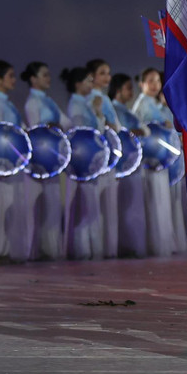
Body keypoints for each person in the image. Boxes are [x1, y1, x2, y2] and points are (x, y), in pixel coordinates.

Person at [22, 61, 70, 261]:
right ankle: (36, 248)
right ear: (33, 79)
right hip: (39, 159)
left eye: (49, 75)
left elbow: (67, 123)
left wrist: (56, 126)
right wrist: (50, 127)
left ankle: (51, 248)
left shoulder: (49, 101)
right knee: (37, 205)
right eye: (44, 75)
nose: (48, 78)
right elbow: (35, 130)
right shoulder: (32, 103)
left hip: (53, 158)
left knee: (51, 204)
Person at [0, 60, 29, 264]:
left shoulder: (6, 103)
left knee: (12, 204)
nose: (14, 80)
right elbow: (0, 134)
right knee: (1, 205)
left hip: (14, 160)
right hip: (3, 161)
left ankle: (10, 249)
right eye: (10, 76)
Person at [131, 67, 176, 256]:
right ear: (141, 84)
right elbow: (140, 131)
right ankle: (155, 244)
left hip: (161, 160)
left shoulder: (156, 104)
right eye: (150, 81)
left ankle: (163, 242)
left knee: (161, 200)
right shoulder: (142, 104)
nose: (155, 85)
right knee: (154, 201)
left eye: (157, 80)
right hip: (150, 162)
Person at [61, 67, 106, 260]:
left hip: (92, 158)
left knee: (91, 206)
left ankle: (90, 247)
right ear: (78, 84)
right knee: (85, 206)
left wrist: (96, 111)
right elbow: (82, 133)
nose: (91, 84)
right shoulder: (77, 105)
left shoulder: (85, 104)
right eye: (88, 81)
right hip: (83, 159)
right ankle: (82, 248)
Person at [108, 72, 149, 258]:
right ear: (118, 90)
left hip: (134, 163)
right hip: (123, 166)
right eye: (128, 88)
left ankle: (133, 244)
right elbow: (121, 132)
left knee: (134, 206)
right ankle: (125, 245)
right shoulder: (116, 110)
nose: (131, 92)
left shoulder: (126, 110)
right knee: (126, 207)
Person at [86, 59, 120, 259]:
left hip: (107, 152)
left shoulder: (101, 98)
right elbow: (109, 125)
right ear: (92, 76)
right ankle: (103, 246)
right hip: (103, 153)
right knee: (104, 201)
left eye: (108, 73)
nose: (107, 77)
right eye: (102, 73)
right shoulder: (96, 99)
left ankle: (105, 246)